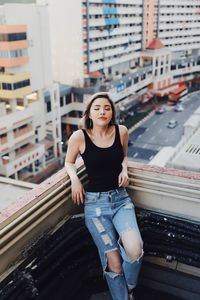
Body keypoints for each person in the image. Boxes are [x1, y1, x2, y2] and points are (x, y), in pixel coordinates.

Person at [65, 92, 143, 300]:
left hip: (121, 201)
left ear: (112, 113)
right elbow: (68, 162)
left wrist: (124, 170)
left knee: (134, 250)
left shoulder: (121, 131)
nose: (102, 111)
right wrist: (74, 179)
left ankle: (130, 288)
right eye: (97, 108)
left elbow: (124, 156)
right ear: (89, 113)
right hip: (95, 207)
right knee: (114, 263)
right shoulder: (79, 136)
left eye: (107, 108)